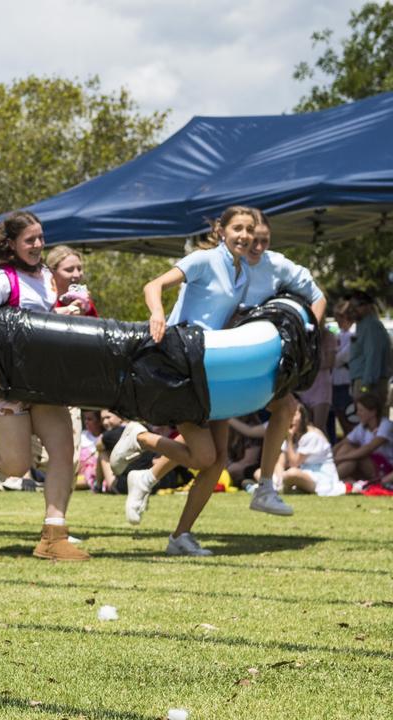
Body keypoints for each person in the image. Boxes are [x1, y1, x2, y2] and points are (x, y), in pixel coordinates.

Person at [0, 211, 88, 561]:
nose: (38, 245)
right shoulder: (0, 280)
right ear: (12, 245)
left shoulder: (48, 279)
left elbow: (40, 326)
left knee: (64, 451)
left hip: (42, 383)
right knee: (15, 467)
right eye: (30, 240)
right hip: (6, 385)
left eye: (41, 238)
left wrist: (63, 315)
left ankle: (54, 535)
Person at [116, 206, 256, 555]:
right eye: (237, 228)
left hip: (215, 367)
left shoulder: (243, 273)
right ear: (222, 230)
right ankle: (142, 438)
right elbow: (154, 285)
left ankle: (180, 535)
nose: (244, 235)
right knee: (203, 457)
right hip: (181, 364)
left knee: (217, 460)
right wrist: (158, 312)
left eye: (249, 230)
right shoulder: (203, 260)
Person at [232, 209, 328, 516]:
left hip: (257, 357)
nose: (257, 247)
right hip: (223, 355)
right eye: (252, 240)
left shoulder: (277, 264)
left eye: (264, 240)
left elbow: (318, 297)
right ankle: (147, 464)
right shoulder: (226, 264)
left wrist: (307, 335)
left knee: (287, 408)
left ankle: (265, 487)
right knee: (204, 446)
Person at [272, 405, 345, 496]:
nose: (291, 419)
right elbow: (280, 462)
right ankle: (283, 486)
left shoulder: (311, 435)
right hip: (302, 472)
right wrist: (279, 477)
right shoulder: (290, 433)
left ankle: (284, 486)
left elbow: (294, 463)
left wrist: (289, 440)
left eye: (294, 415)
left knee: (291, 474)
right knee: (260, 472)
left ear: (303, 417)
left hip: (319, 475)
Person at [334, 394, 393, 485]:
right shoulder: (361, 427)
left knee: (356, 456)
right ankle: (332, 476)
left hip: (386, 468)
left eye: (361, 410)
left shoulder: (386, 425)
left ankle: (330, 479)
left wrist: (339, 458)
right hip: (371, 464)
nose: (357, 414)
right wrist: (329, 457)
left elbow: (369, 448)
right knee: (346, 447)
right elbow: (343, 443)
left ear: (373, 412)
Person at [348, 292, 390, 414]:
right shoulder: (362, 325)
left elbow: (373, 356)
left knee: (373, 425)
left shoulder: (371, 325)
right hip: (363, 381)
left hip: (368, 384)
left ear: (367, 306)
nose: (352, 310)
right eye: (350, 306)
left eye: (356, 306)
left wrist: (366, 387)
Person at [45, 245, 98, 317]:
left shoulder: (84, 303)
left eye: (79, 269)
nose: (77, 275)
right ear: (51, 272)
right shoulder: (45, 302)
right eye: (69, 270)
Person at [330, 301, 357, 440]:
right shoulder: (339, 334)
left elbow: (339, 358)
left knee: (349, 420)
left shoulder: (355, 333)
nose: (338, 321)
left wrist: (333, 357)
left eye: (339, 318)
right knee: (340, 417)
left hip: (347, 384)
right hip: (336, 382)